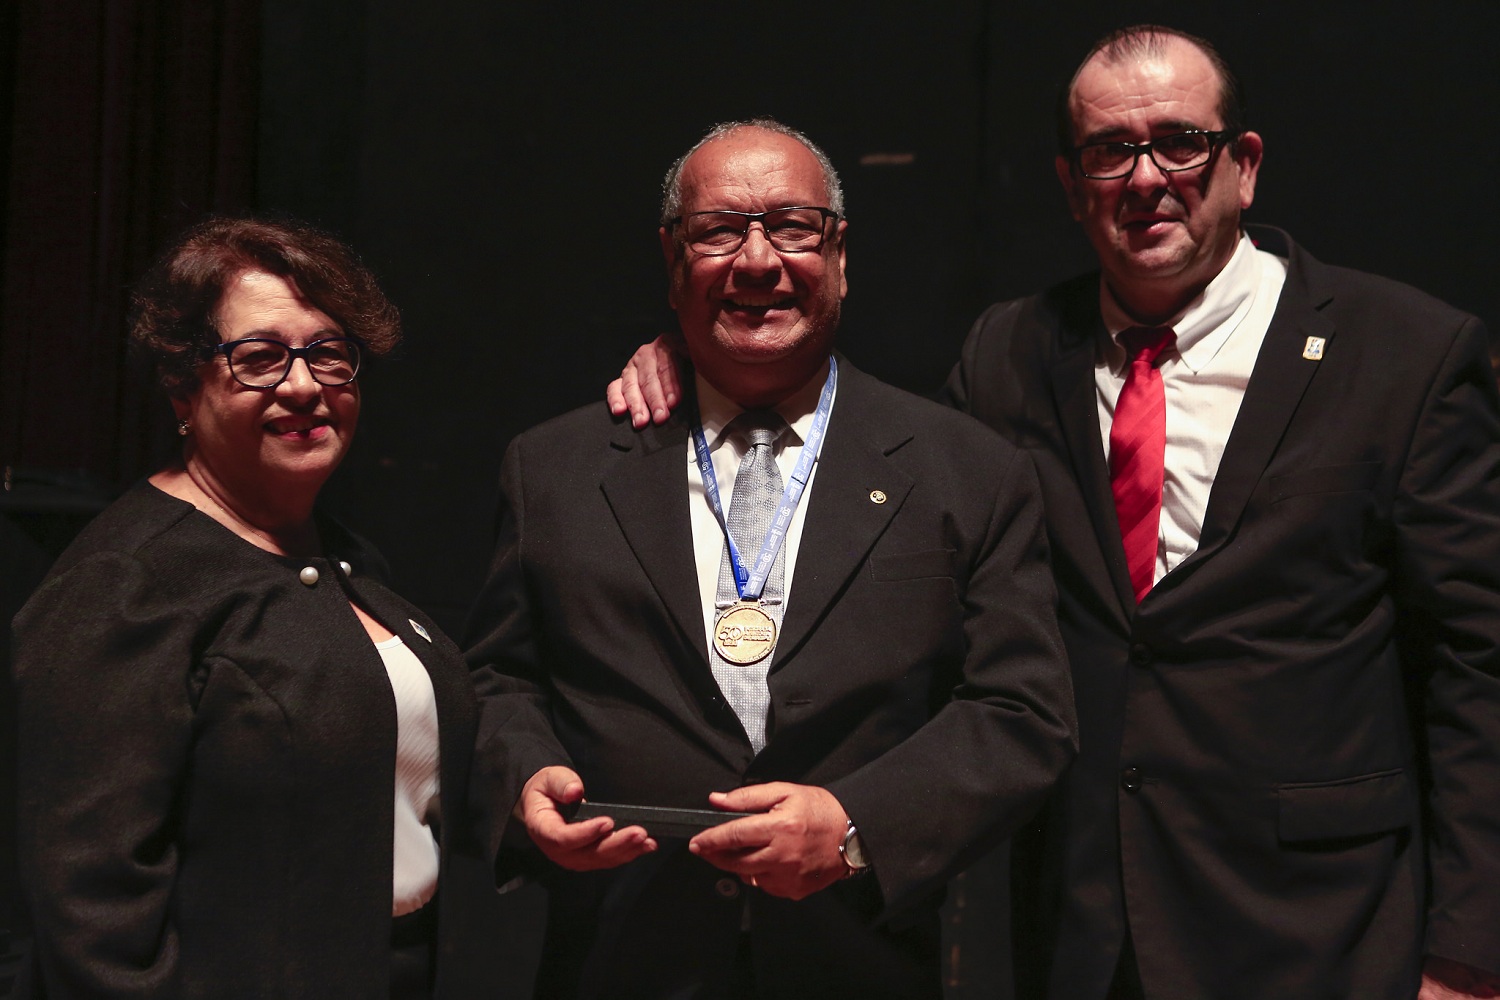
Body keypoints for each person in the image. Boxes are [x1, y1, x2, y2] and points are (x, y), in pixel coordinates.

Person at [606, 27, 1500, 1000]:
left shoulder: (1402, 353)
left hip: (1327, 932)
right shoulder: (1012, 355)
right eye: (1111, 152)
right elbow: (883, 498)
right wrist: (702, 358)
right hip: (1083, 932)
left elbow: (1480, 665)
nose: (1146, 177)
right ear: (1074, 188)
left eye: (1179, 142)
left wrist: (1470, 954)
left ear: (1243, 165)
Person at [463, 119, 1076, 998]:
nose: (757, 260)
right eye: (719, 231)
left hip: (860, 963)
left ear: (840, 254)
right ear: (673, 259)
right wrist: (522, 776)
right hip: (624, 960)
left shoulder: (965, 471)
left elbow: (1025, 712)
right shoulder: (553, 469)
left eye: (792, 226)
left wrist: (859, 823)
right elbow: (498, 680)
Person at [11, 218, 478, 999]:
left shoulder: (345, 559)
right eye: (258, 358)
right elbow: (93, 919)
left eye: (328, 353)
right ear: (183, 385)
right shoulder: (123, 586)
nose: (303, 385)